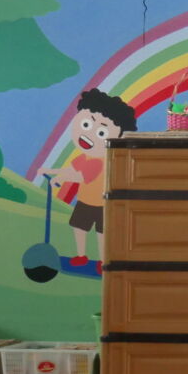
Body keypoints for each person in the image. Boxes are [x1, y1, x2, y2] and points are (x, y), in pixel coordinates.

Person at [50, 88, 137, 268]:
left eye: (101, 133)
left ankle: (102, 260)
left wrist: (61, 177)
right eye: (86, 124)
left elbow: (80, 176)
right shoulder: (85, 157)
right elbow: (71, 169)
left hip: (103, 204)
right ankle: (81, 255)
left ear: (119, 136)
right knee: (79, 227)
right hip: (84, 201)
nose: (88, 135)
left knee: (102, 233)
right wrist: (52, 172)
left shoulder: (101, 160)